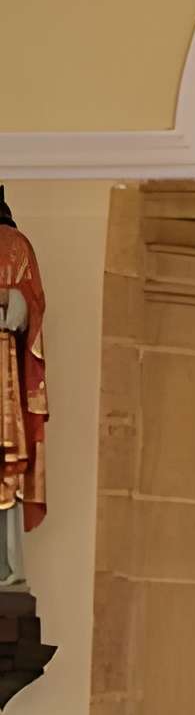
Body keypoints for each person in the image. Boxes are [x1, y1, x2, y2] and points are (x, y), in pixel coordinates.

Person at [0, 189, 47, 588]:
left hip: (2, 380)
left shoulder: (13, 246)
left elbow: (27, 309)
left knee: (6, 462)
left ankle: (5, 566)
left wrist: (9, 299)